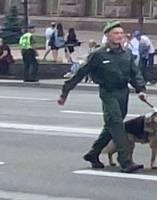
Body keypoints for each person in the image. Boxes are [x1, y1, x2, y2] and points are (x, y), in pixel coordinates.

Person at [59, 21, 149, 173]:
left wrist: (140, 89)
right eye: (115, 33)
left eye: (121, 33)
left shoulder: (126, 53)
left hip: (123, 92)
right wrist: (65, 92)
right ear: (107, 35)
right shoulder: (98, 54)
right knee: (117, 124)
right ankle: (125, 161)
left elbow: (134, 73)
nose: (119, 36)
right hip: (108, 92)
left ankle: (93, 154)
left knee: (111, 125)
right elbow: (80, 73)